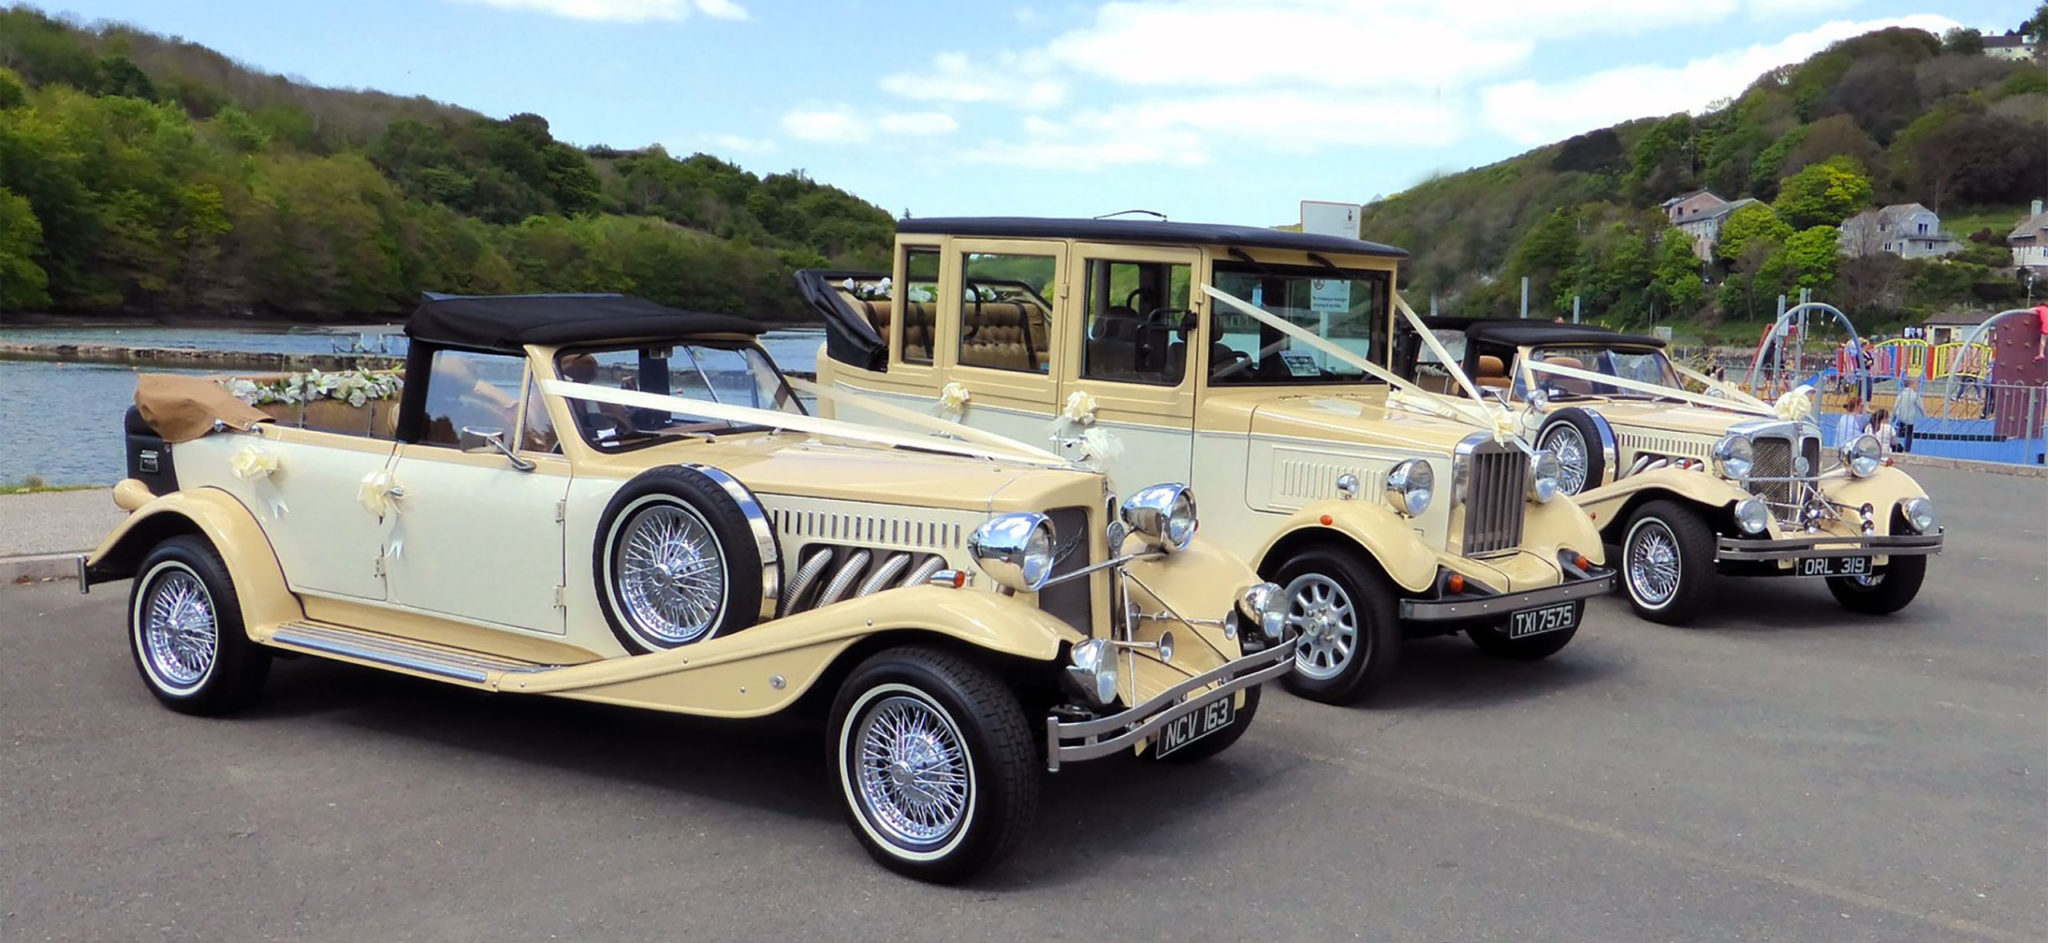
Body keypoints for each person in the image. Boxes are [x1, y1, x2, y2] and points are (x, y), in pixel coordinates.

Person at [1893, 378, 1925, 453]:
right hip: (1910, 419)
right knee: (1909, 435)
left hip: (1900, 417)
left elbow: (1895, 406)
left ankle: (1896, 444)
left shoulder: (1901, 394)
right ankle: (1907, 450)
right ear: (1912, 385)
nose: (1917, 387)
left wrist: (1894, 417)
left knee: (1898, 431)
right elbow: (1921, 406)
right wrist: (1924, 414)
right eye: (1916, 385)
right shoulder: (1915, 395)